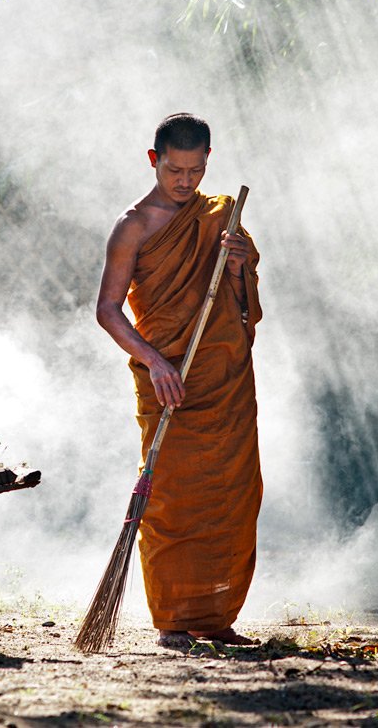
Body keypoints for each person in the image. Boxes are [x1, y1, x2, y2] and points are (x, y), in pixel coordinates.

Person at [95, 112, 264, 649]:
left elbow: (241, 307)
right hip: (168, 382)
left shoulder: (221, 218)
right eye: (174, 170)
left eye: (194, 170)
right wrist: (154, 360)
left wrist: (237, 266)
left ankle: (215, 619)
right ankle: (172, 619)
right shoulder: (134, 226)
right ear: (154, 161)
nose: (185, 181)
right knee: (171, 500)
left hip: (221, 378)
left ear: (207, 163)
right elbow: (108, 310)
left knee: (232, 496)